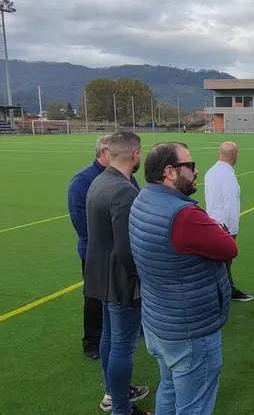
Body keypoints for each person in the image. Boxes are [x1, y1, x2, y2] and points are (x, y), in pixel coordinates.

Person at [129, 142, 238, 415]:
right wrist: (214, 227)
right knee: (194, 404)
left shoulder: (142, 199)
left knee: (169, 386)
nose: (196, 171)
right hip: (189, 329)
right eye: (190, 166)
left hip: (159, 321)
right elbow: (229, 248)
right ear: (170, 172)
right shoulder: (185, 215)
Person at [83, 131, 151, 415]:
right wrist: (140, 278)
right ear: (136, 155)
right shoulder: (124, 189)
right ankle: (121, 409)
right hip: (120, 280)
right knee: (122, 345)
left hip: (101, 274)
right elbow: (126, 247)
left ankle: (113, 396)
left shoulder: (100, 181)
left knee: (110, 339)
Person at [67, 135, 139, 360]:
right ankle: (91, 341)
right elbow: (81, 222)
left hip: (117, 249)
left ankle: (121, 334)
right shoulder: (82, 181)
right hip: (96, 251)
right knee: (95, 298)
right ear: (104, 152)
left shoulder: (124, 178)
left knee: (119, 300)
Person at [203, 141, 254, 302]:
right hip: (223, 225)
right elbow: (230, 204)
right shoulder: (228, 176)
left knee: (220, 261)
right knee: (225, 261)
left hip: (211, 221)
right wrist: (231, 231)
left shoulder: (211, 172)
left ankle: (227, 289)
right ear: (235, 156)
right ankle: (223, 292)